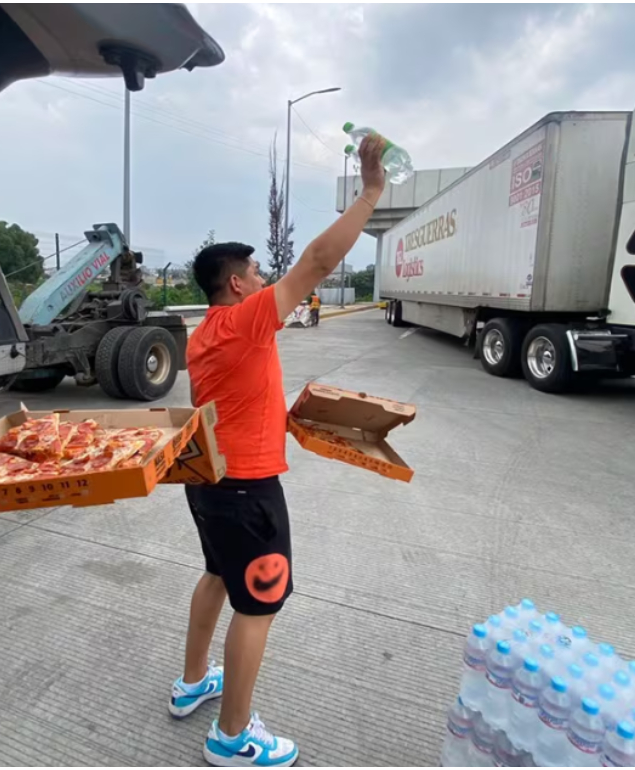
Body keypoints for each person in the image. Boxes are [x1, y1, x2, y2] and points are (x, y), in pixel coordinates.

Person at [170, 133, 386, 767]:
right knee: (259, 603)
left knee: (216, 573)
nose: (267, 280)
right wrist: (370, 192)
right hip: (247, 491)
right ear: (236, 285)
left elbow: (229, 402)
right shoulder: (245, 319)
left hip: (209, 480)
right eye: (258, 274)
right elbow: (317, 260)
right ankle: (232, 737)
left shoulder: (204, 332)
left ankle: (192, 684)